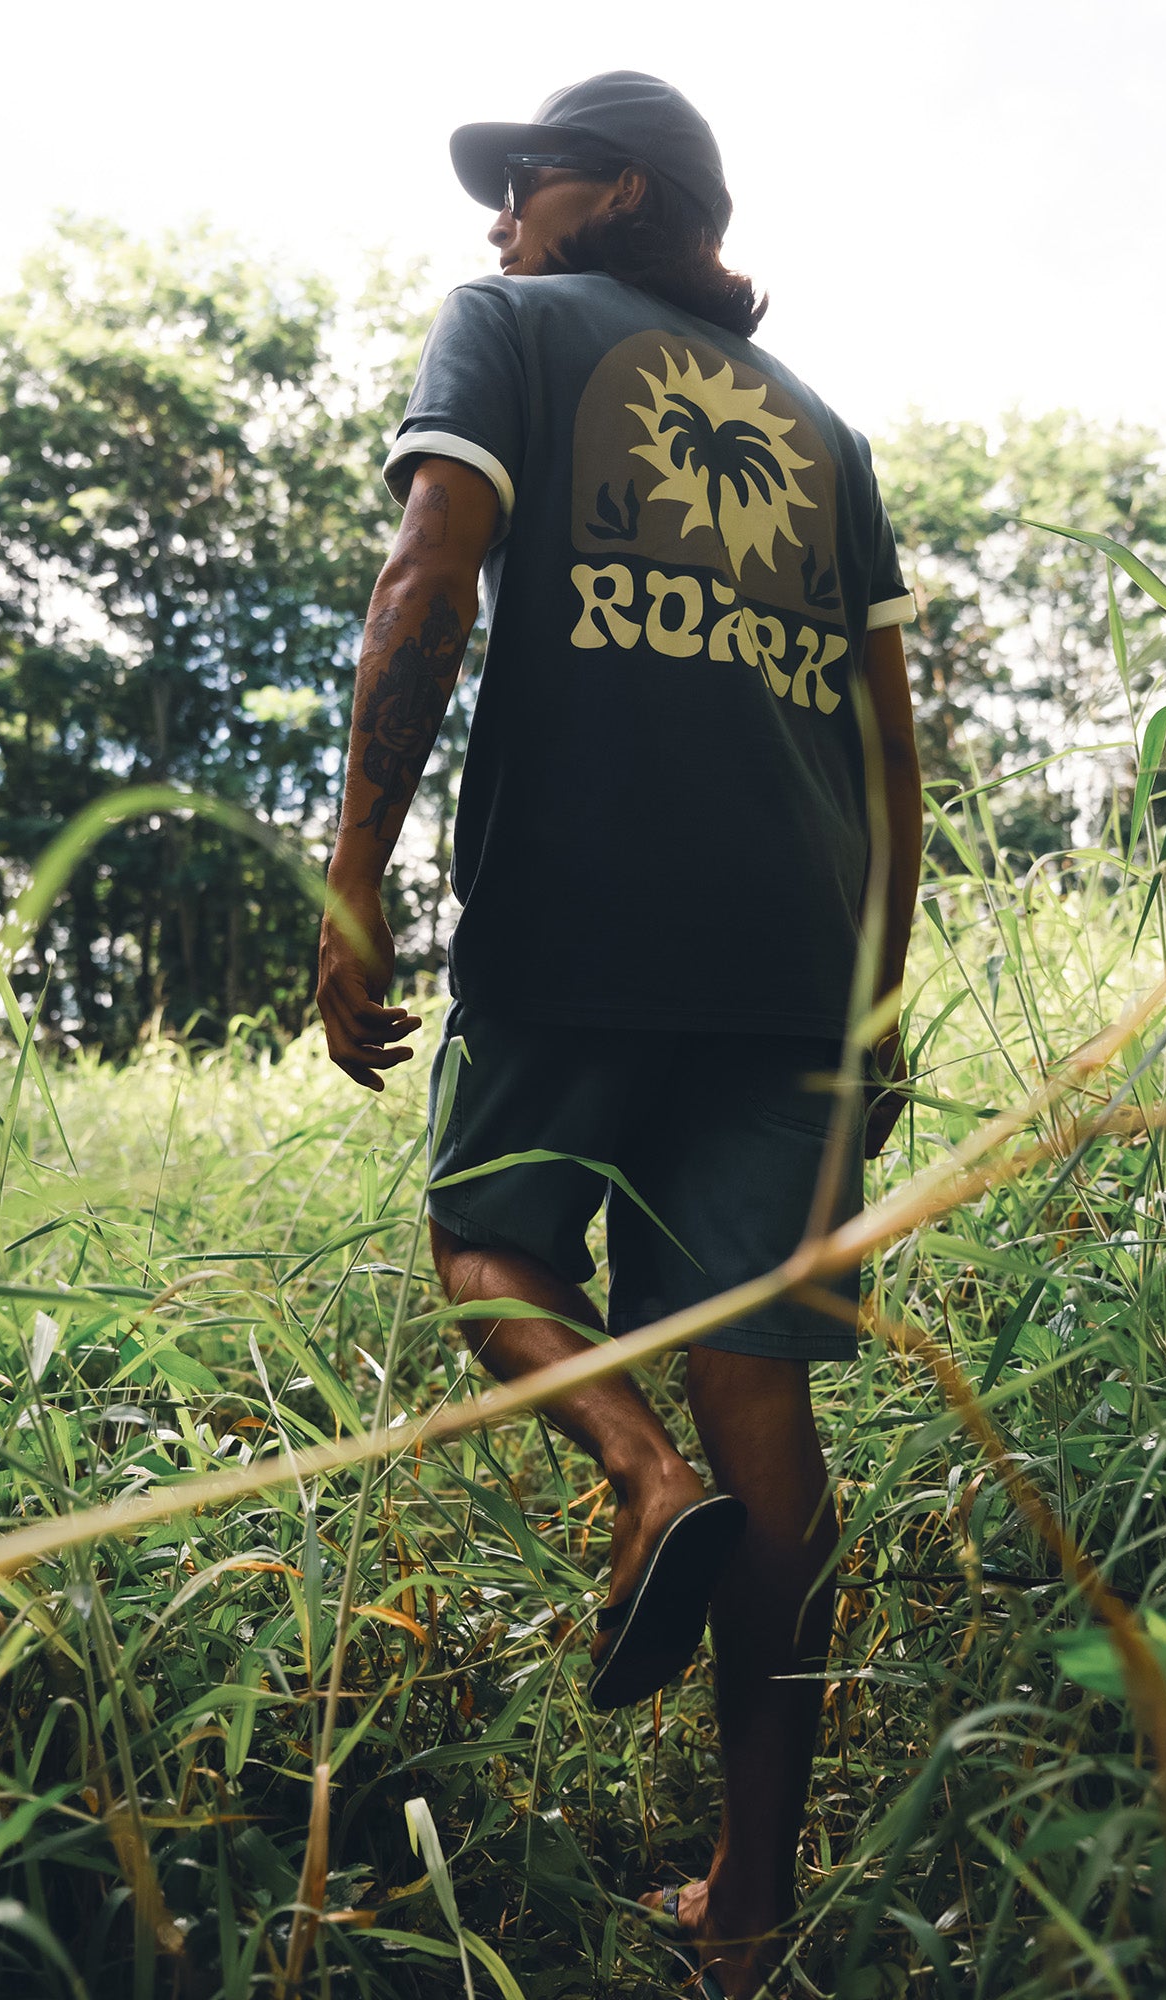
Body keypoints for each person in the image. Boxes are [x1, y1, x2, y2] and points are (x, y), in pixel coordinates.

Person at [314, 71, 922, 1999]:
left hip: (584, 906)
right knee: (777, 1417)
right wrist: (882, 1001)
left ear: (621, 195)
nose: (499, 220)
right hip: (798, 969)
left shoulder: (514, 330)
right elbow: (893, 761)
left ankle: (638, 1481)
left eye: (528, 183)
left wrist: (354, 885)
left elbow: (428, 586)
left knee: (486, 1243)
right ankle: (751, 1910)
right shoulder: (825, 432)